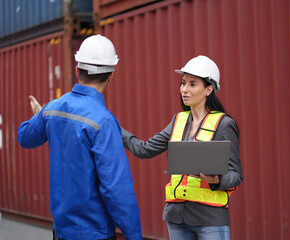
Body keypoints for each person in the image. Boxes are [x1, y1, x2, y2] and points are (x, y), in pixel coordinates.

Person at [17, 35, 142, 240]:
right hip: (94, 233)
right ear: (111, 75)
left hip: (61, 231)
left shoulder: (53, 109)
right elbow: (116, 190)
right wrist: (134, 236)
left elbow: (24, 137)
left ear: (78, 71)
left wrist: (39, 116)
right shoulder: (104, 121)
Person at [121, 55, 243, 240]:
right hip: (176, 218)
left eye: (192, 84)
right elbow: (144, 149)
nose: (184, 90)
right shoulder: (178, 121)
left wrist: (217, 179)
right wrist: (113, 127)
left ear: (208, 90)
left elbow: (236, 175)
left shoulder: (224, 124)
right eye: (183, 83)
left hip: (209, 218)